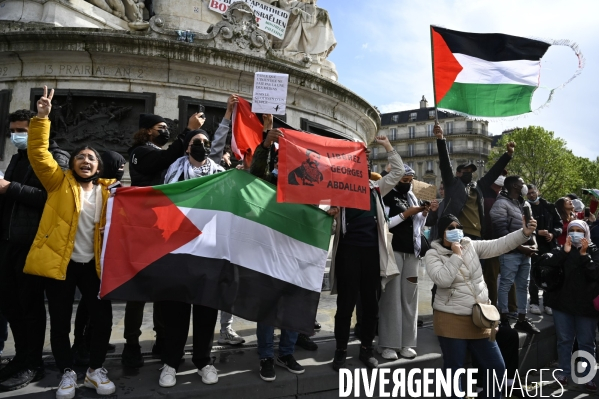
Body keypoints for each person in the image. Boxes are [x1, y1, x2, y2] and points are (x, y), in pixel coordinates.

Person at [122, 94, 235, 367]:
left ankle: (166, 343)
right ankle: (133, 345)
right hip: (155, 230)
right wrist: (188, 131)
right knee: (140, 292)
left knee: (165, 294)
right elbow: (177, 153)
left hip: (197, 243)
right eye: (162, 128)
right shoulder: (150, 157)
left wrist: (228, 116)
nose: (166, 132)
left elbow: (214, 147)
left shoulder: (214, 169)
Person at [26, 86, 116, 398]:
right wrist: (41, 119)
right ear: (73, 164)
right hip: (61, 266)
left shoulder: (110, 193)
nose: (85, 161)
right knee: (60, 322)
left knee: (103, 319)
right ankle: (66, 371)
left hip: (94, 267)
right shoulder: (57, 182)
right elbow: (38, 154)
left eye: (91, 158)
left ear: (98, 167)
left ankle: (94, 370)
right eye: (80, 157)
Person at [158, 103, 232, 388]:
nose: (200, 145)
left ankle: (203, 360)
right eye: (195, 142)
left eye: (204, 142)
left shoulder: (219, 171)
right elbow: (166, 201)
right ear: (187, 148)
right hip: (178, 249)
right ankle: (170, 362)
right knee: (175, 310)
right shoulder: (174, 169)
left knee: (205, 309)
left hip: (208, 249)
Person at [425, 214, 537, 399]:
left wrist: (523, 234)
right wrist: (456, 255)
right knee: (455, 373)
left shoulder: (471, 245)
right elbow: (442, 280)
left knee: (497, 368)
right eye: (450, 228)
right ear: (442, 232)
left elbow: (499, 244)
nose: (455, 231)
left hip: (479, 318)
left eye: (458, 226)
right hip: (451, 320)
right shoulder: (433, 254)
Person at [0, 109, 70, 391]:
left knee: (30, 306)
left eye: (23, 131)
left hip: (33, 242)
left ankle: (33, 363)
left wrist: (9, 187)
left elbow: (52, 198)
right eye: (14, 130)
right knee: (10, 304)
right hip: (7, 242)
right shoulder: (17, 157)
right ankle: (21, 356)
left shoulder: (57, 157)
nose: (17, 136)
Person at [329, 135, 404, 370]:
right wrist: (330, 213)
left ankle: (366, 349)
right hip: (349, 253)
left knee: (371, 305)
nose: (363, 168)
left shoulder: (375, 189)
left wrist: (387, 146)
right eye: (358, 164)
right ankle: (340, 351)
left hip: (372, 253)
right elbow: (330, 223)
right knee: (346, 305)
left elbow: (399, 171)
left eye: (366, 165)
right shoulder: (339, 191)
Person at [248, 118, 315, 381]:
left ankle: (285, 352)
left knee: (292, 306)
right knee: (268, 307)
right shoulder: (270, 179)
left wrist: (328, 213)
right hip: (269, 251)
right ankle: (266, 355)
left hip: (297, 252)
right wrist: (265, 144)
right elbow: (256, 173)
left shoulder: (308, 182)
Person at [72, 151, 125, 366]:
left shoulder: (114, 190)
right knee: (87, 305)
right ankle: (80, 343)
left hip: (103, 259)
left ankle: (92, 341)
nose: (122, 170)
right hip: (85, 259)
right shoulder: (99, 191)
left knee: (96, 306)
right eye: (118, 167)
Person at [377, 165, 436, 360]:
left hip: (412, 252)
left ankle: (408, 342)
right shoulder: (385, 195)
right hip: (393, 251)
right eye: (404, 180)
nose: (408, 183)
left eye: (410, 180)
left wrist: (424, 212)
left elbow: (419, 225)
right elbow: (383, 223)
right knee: (391, 298)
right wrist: (406, 214)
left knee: (410, 298)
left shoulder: (413, 196)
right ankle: (388, 343)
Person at [541, 220, 599, 392]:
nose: (575, 233)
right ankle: (563, 373)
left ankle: (587, 376)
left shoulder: (594, 250)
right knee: (564, 340)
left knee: (586, 342)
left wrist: (584, 255)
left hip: (586, 306)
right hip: (562, 303)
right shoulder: (560, 249)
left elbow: (595, 273)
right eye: (571, 230)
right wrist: (564, 253)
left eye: (579, 230)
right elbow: (548, 267)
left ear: (586, 233)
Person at [434, 123, 514, 240]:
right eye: (465, 170)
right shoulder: (452, 184)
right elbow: (445, 164)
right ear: (457, 173)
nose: (469, 173)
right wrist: (441, 139)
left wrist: (508, 155)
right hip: (458, 233)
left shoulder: (478, 187)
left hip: (477, 235)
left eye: (471, 171)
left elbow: (493, 173)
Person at [490, 176, 540, 334]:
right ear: (513, 185)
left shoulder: (525, 204)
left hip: (526, 253)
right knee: (505, 284)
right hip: (510, 253)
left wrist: (534, 245)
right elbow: (501, 232)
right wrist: (521, 248)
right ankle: (503, 319)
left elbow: (532, 228)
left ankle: (522, 319)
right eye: (522, 183)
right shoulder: (500, 204)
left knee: (523, 285)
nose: (524, 185)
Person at [526, 185, 562, 316]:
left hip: (550, 246)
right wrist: (536, 232)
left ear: (538, 192)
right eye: (529, 193)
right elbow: (522, 226)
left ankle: (548, 303)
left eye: (533, 192)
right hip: (533, 246)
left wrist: (553, 234)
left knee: (550, 275)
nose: (531, 195)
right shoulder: (525, 208)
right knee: (534, 275)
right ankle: (534, 303)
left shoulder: (549, 207)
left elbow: (559, 225)